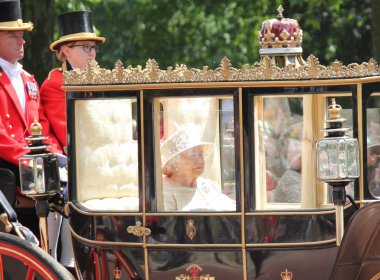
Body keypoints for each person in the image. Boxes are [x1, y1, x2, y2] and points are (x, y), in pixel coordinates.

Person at [0, 0, 64, 233]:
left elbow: (42, 125)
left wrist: (55, 155)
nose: (22, 41)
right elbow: (1, 137)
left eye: (22, 35)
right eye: (13, 36)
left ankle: (64, 260)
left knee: (71, 188)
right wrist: (32, 159)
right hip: (9, 164)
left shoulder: (28, 79)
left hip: (30, 164)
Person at [40, 10, 105, 153]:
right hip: (76, 160)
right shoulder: (55, 83)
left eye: (94, 47)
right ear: (66, 50)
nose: (92, 53)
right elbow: (69, 134)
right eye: (86, 46)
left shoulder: (96, 78)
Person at [161, 127, 236, 211]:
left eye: (200, 154)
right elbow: (166, 223)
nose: (199, 160)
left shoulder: (208, 186)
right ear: (176, 162)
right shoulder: (165, 192)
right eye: (192, 155)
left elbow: (231, 210)